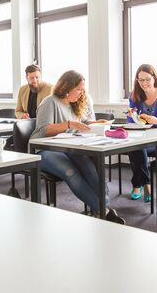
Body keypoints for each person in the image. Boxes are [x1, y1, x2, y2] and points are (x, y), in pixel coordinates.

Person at [31, 70, 125, 224]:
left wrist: (95, 124)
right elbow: (41, 131)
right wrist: (68, 124)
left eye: (82, 89)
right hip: (44, 149)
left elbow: (79, 125)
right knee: (71, 172)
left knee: (89, 167)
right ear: (67, 87)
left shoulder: (75, 104)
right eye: (79, 89)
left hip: (67, 147)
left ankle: (103, 209)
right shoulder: (50, 102)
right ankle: (105, 213)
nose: (82, 93)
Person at [126, 64, 157, 202]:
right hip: (141, 137)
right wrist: (131, 115)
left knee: (136, 148)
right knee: (136, 146)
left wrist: (156, 120)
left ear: (154, 78)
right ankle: (146, 184)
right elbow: (130, 121)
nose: (144, 83)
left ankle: (137, 185)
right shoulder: (134, 95)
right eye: (140, 80)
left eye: (147, 79)